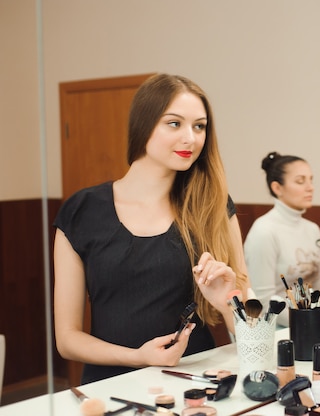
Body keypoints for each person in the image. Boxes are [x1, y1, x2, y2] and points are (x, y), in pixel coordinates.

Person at [53, 73, 249, 383]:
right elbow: (66, 339)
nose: (191, 138)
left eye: (199, 126)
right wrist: (136, 357)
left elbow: (252, 330)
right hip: (109, 389)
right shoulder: (81, 212)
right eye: (175, 123)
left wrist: (228, 304)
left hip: (194, 384)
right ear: (143, 125)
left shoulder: (213, 206)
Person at [244, 152, 320, 327]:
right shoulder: (264, 231)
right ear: (277, 188)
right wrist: (308, 323)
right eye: (300, 181)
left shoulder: (313, 228)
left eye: (311, 180)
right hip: (278, 328)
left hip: (313, 324)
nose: (310, 187)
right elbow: (263, 299)